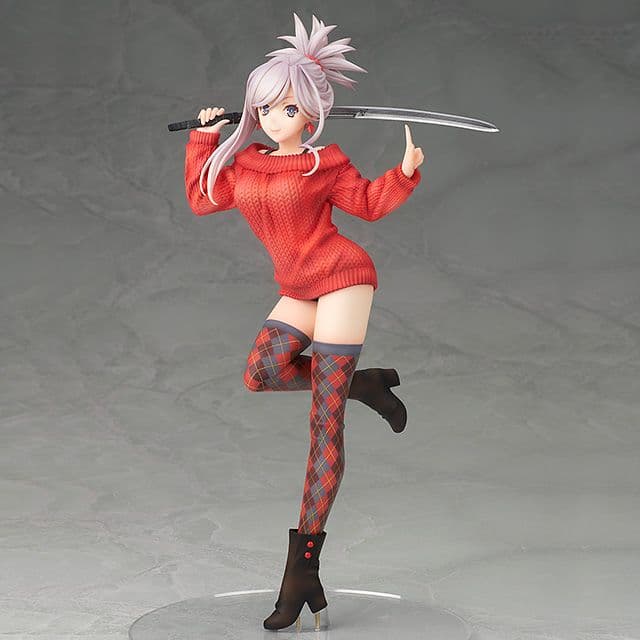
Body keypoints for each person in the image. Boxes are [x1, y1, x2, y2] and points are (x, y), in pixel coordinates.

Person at [183, 12, 424, 632]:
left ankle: (301, 570)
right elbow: (203, 200)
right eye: (263, 107)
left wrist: (403, 173)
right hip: (297, 284)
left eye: (287, 108)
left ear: (312, 113)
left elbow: (367, 204)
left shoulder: (324, 165)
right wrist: (205, 140)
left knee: (324, 423)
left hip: (341, 276)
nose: (272, 118)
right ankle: (362, 384)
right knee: (261, 372)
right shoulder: (246, 164)